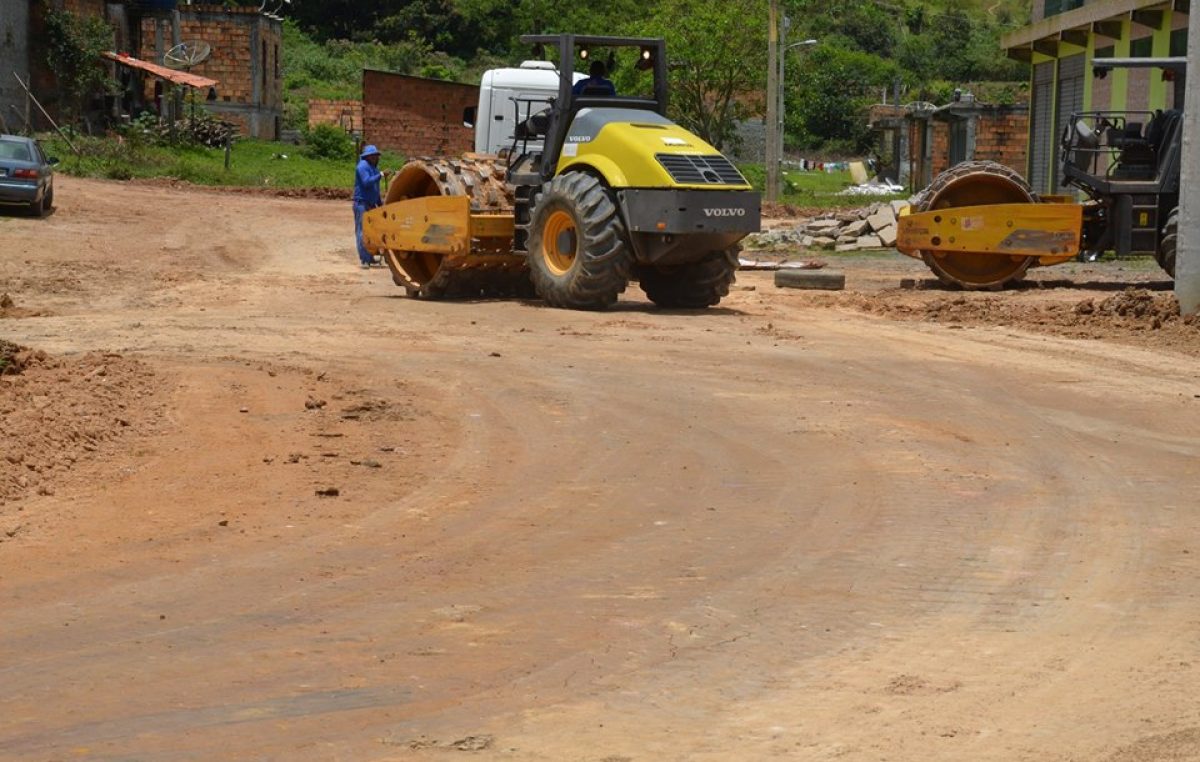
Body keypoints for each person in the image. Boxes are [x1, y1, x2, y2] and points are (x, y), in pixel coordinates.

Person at [353, 144, 389, 268]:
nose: (375, 158)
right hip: (362, 203)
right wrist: (381, 175)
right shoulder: (362, 167)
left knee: (373, 231)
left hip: (371, 204)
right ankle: (364, 259)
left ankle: (370, 256)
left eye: (376, 156)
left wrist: (380, 204)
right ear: (367, 156)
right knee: (362, 231)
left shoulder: (374, 168)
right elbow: (367, 182)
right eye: (373, 156)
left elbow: (375, 189)